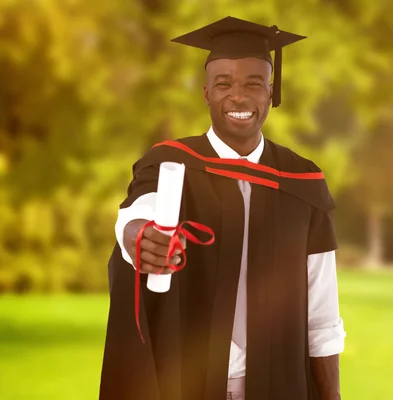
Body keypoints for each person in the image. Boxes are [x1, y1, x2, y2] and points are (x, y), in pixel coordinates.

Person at [99, 16, 345, 400]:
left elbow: (323, 313)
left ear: (271, 92)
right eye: (224, 84)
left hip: (279, 384)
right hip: (187, 382)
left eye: (253, 84)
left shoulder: (302, 181)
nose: (239, 96)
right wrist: (140, 236)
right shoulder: (172, 163)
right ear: (206, 93)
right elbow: (136, 211)